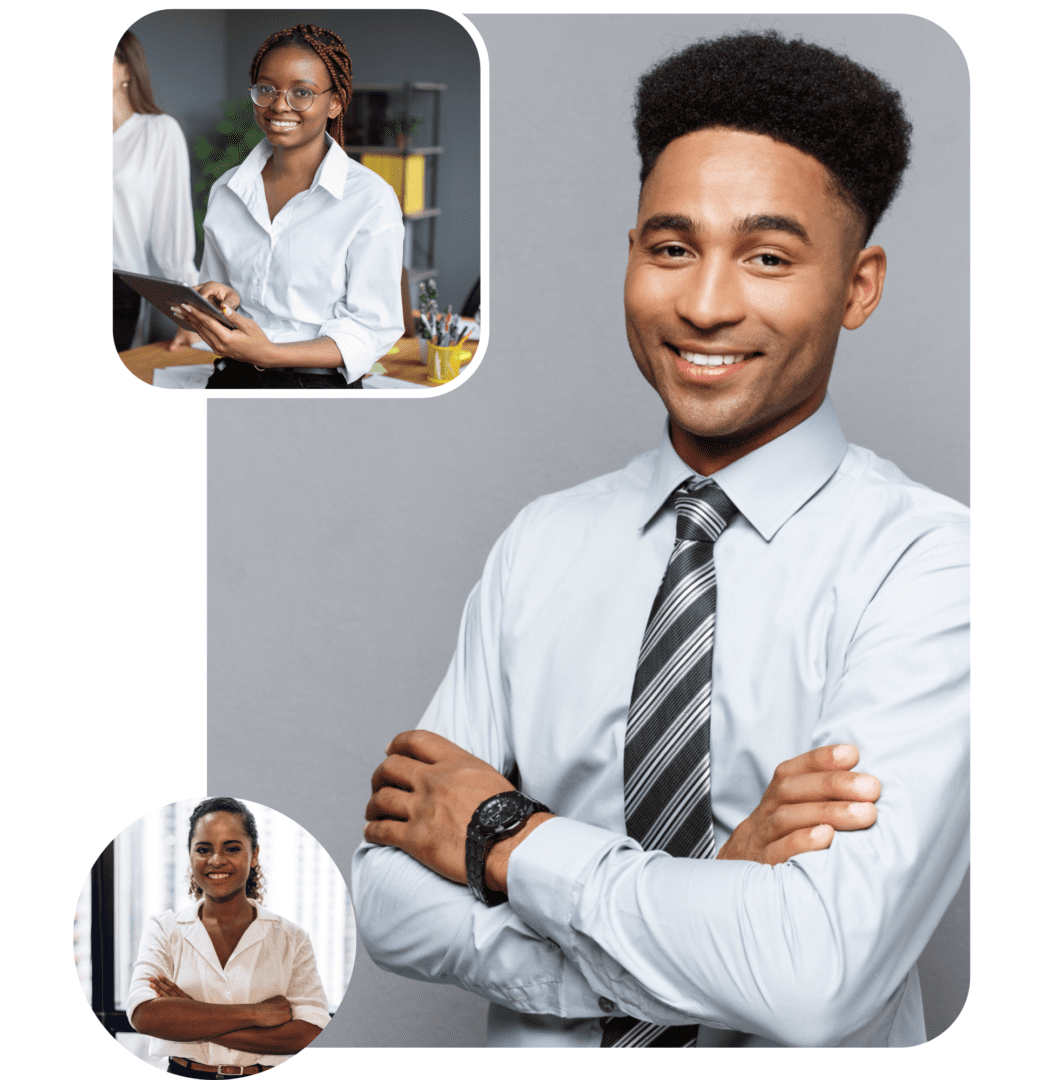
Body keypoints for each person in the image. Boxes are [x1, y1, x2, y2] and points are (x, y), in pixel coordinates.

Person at [352, 31, 969, 1048]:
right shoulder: (540, 546)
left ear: (857, 286)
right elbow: (385, 899)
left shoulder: (935, 571)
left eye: (766, 257)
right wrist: (710, 904)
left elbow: (810, 976)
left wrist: (504, 834)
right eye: (670, 247)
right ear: (631, 251)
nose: (703, 303)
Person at [167, 24, 405, 389]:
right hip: (231, 379)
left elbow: (372, 328)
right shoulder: (227, 189)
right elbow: (222, 293)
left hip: (317, 389)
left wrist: (269, 354)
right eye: (267, 89)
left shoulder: (369, 198)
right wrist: (223, 299)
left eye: (302, 92)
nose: (279, 105)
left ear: (336, 102)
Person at [126, 798, 330, 1074]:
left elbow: (308, 1034)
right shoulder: (165, 929)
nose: (216, 860)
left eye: (232, 848)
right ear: (190, 855)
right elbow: (145, 1015)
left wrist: (188, 1016)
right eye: (203, 849)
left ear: (254, 854)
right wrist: (257, 1014)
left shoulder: (292, 939)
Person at [113, 31, 197, 352]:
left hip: (118, 289)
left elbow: (172, 233)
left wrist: (191, 317)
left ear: (127, 70)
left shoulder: (158, 133)